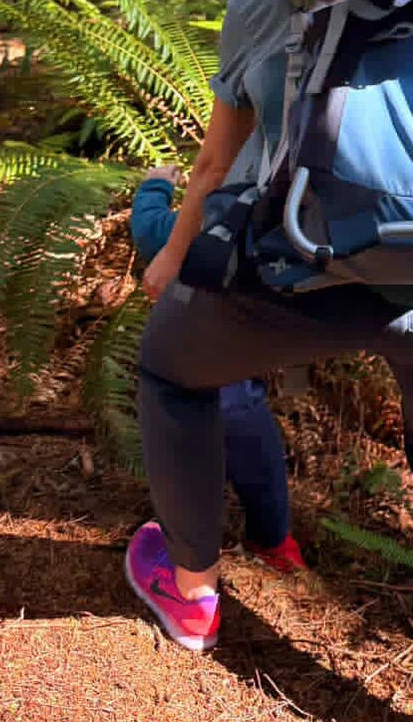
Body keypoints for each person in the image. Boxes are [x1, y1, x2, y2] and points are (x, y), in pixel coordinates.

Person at [124, 0, 413, 722]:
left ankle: (191, 599)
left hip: (291, 274)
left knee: (170, 375)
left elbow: (217, 164)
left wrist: (172, 252)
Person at [128, 165, 306, 575]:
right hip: (249, 361)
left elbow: (149, 228)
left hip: (189, 364)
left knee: (183, 440)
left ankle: (191, 568)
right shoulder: (284, 225)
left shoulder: (195, 227)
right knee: (248, 428)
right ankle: (275, 540)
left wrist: (155, 183)